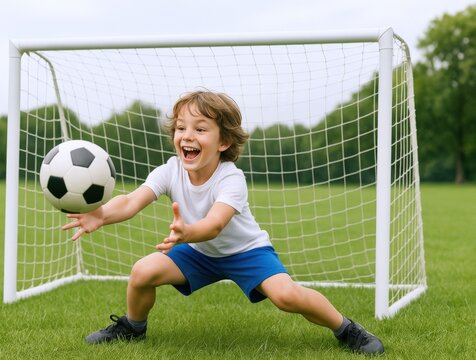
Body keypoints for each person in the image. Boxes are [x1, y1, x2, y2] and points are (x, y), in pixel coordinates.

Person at [63, 90, 385, 355]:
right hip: (198, 252)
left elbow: (215, 224)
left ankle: (346, 329)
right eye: (181, 128)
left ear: (224, 142)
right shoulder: (170, 170)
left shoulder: (231, 178)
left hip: (246, 251)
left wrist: (188, 231)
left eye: (200, 129)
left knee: (287, 297)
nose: (187, 136)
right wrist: (101, 214)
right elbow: (133, 200)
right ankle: (133, 328)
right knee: (142, 272)